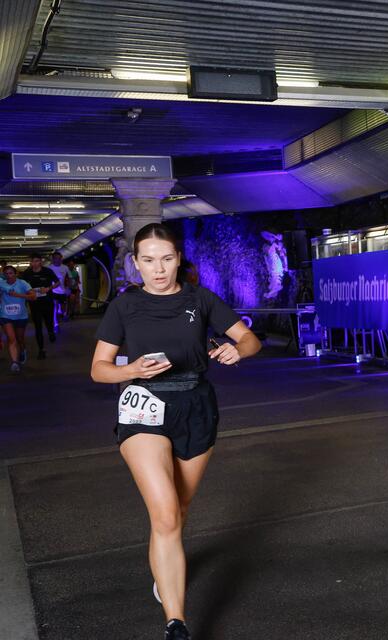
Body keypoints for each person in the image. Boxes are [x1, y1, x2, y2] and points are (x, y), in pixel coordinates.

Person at [90, 223, 261, 640]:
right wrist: (130, 370)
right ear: (135, 263)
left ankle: (164, 572)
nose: (158, 268)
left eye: (166, 258)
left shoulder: (199, 298)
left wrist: (236, 350)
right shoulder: (124, 306)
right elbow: (98, 368)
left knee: (177, 514)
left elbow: (251, 340)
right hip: (143, 408)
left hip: (195, 406)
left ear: (178, 259)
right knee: (165, 514)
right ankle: (176, 623)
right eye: (147, 260)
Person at [20, 253, 59, 360]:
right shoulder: (27, 273)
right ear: (30, 262)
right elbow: (22, 285)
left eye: (37, 261)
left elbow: (57, 282)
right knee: (38, 326)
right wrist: (28, 292)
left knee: (49, 322)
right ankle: (41, 350)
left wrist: (48, 288)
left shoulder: (47, 271)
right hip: (34, 303)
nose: (35, 263)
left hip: (47, 301)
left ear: (40, 261)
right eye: (33, 261)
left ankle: (51, 332)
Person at [0, 265, 36, 373]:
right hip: (6, 315)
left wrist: (18, 295)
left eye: (11, 273)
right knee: (11, 339)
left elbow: (33, 297)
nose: (9, 275)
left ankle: (22, 350)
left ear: (16, 274)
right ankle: (15, 363)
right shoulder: (2, 284)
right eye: (6, 274)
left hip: (21, 316)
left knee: (20, 339)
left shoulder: (23, 284)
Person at [48, 251, 70, 322]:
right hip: (53, 290)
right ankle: (55, 321)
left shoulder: (65, 267)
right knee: (55, 305)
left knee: (62, 306)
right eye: (56, 258)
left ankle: (62, 314)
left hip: (62, 291)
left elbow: (69, 278)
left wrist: (68, 288)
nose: (57, 260)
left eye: (59, 258)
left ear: (61, 259)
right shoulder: (49, 268)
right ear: (53, 259)